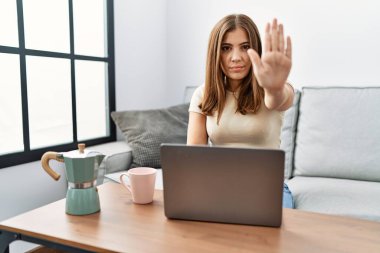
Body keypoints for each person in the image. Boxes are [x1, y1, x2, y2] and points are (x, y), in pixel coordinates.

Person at [187, 14, 295, 208]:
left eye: (245, 47)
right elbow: (194, 159)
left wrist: (274, 88)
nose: (236, 57)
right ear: (215, 53)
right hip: (220, 188)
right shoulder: (202, 94)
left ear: (256, 49)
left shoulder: (273, 88)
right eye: (226, 48)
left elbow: (279, 99)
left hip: (268, 188)